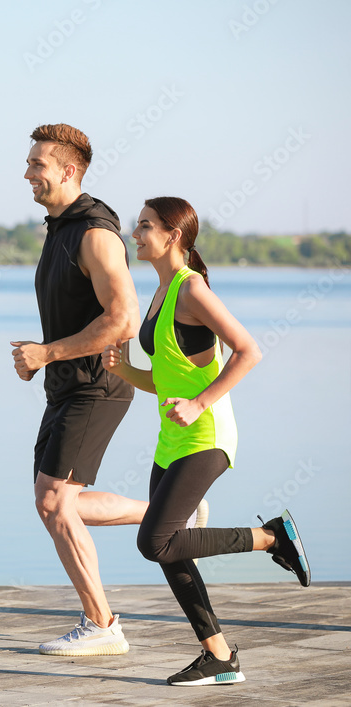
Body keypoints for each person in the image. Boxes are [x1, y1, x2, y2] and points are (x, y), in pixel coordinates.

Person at [102, 196, 311, 686]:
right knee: (171, 548)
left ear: (173, 236)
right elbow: (169, 379)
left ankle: (272, 538)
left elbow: (248, 350)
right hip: (171, 440)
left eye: (145, 226)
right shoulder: (158, 293)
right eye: (137, 225)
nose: (135, 233)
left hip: (206, 435)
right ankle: (219, 657)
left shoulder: (190, 289)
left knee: (154, 541)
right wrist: (126, 370)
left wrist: (200, 404)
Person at [12, 123, 158, 657]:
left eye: (37, 165)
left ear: (69, 170)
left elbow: (123, 320)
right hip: (66, 385)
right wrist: (45, 362)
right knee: (56, 502)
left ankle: (103, 624)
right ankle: (172, 512)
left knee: (54, 503)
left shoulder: (95, 233)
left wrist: (46, 352)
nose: (27, 173)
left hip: (98, 385)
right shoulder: (60, 229)